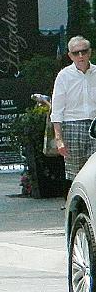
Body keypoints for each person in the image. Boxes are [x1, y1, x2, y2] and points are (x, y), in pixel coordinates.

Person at [51, 36, 96, 187]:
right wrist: (59, 139)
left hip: (94, 126)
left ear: (90, 52)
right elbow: (56, 110)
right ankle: (77, 206)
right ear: (70, 56)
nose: (81, 56)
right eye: (76, 53)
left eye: (84, 52)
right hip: (72, 127)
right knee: (76, 174)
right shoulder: (64, 76)